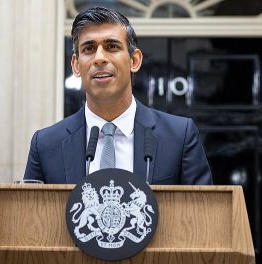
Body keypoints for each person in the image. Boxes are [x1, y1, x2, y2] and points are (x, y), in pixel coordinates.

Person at [24, 6, 212, 185]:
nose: (99, 58)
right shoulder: (46, 145)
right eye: (89, 49)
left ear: (135, 60)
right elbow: (31, 216)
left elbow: (202, 214)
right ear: (75, 65)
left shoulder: (179, 136)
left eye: (112, 47)